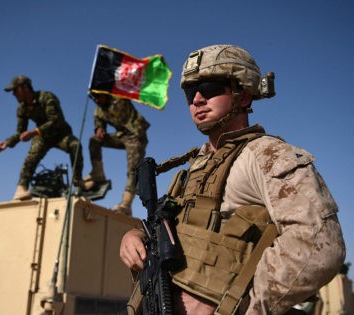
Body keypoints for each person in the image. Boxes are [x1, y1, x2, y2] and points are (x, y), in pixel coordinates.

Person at [119, 45, 346, 314]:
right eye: (191, 93)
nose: (198, 99)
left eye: (211, 88)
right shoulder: (194, 167)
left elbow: (320, 245)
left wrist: (245, 307)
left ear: (244, 95)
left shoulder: (266, 155)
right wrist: (134, 237)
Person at [0, 75, 84, 200]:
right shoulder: (22, 109)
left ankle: (78, 180)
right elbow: (20, 131)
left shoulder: (47, 97)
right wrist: (7, 143)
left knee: (76, 146)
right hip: (43, 136)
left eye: (15, 90)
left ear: (25, 88)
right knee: (32, 156)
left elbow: (55, 120)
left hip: (60, 134)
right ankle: (21, 188)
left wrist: (34, 132)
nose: (14, 94)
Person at [84, 93, 150, 216]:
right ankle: (98, 174)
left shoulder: (119, 98)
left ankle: (126, 204)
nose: (97, 100)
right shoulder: (98, 111)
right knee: (94, 140)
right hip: (121, 136)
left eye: (99, 96)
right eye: (94, 98)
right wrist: (99, 129)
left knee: (133, 169)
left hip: (136, 136)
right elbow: (99, 125)